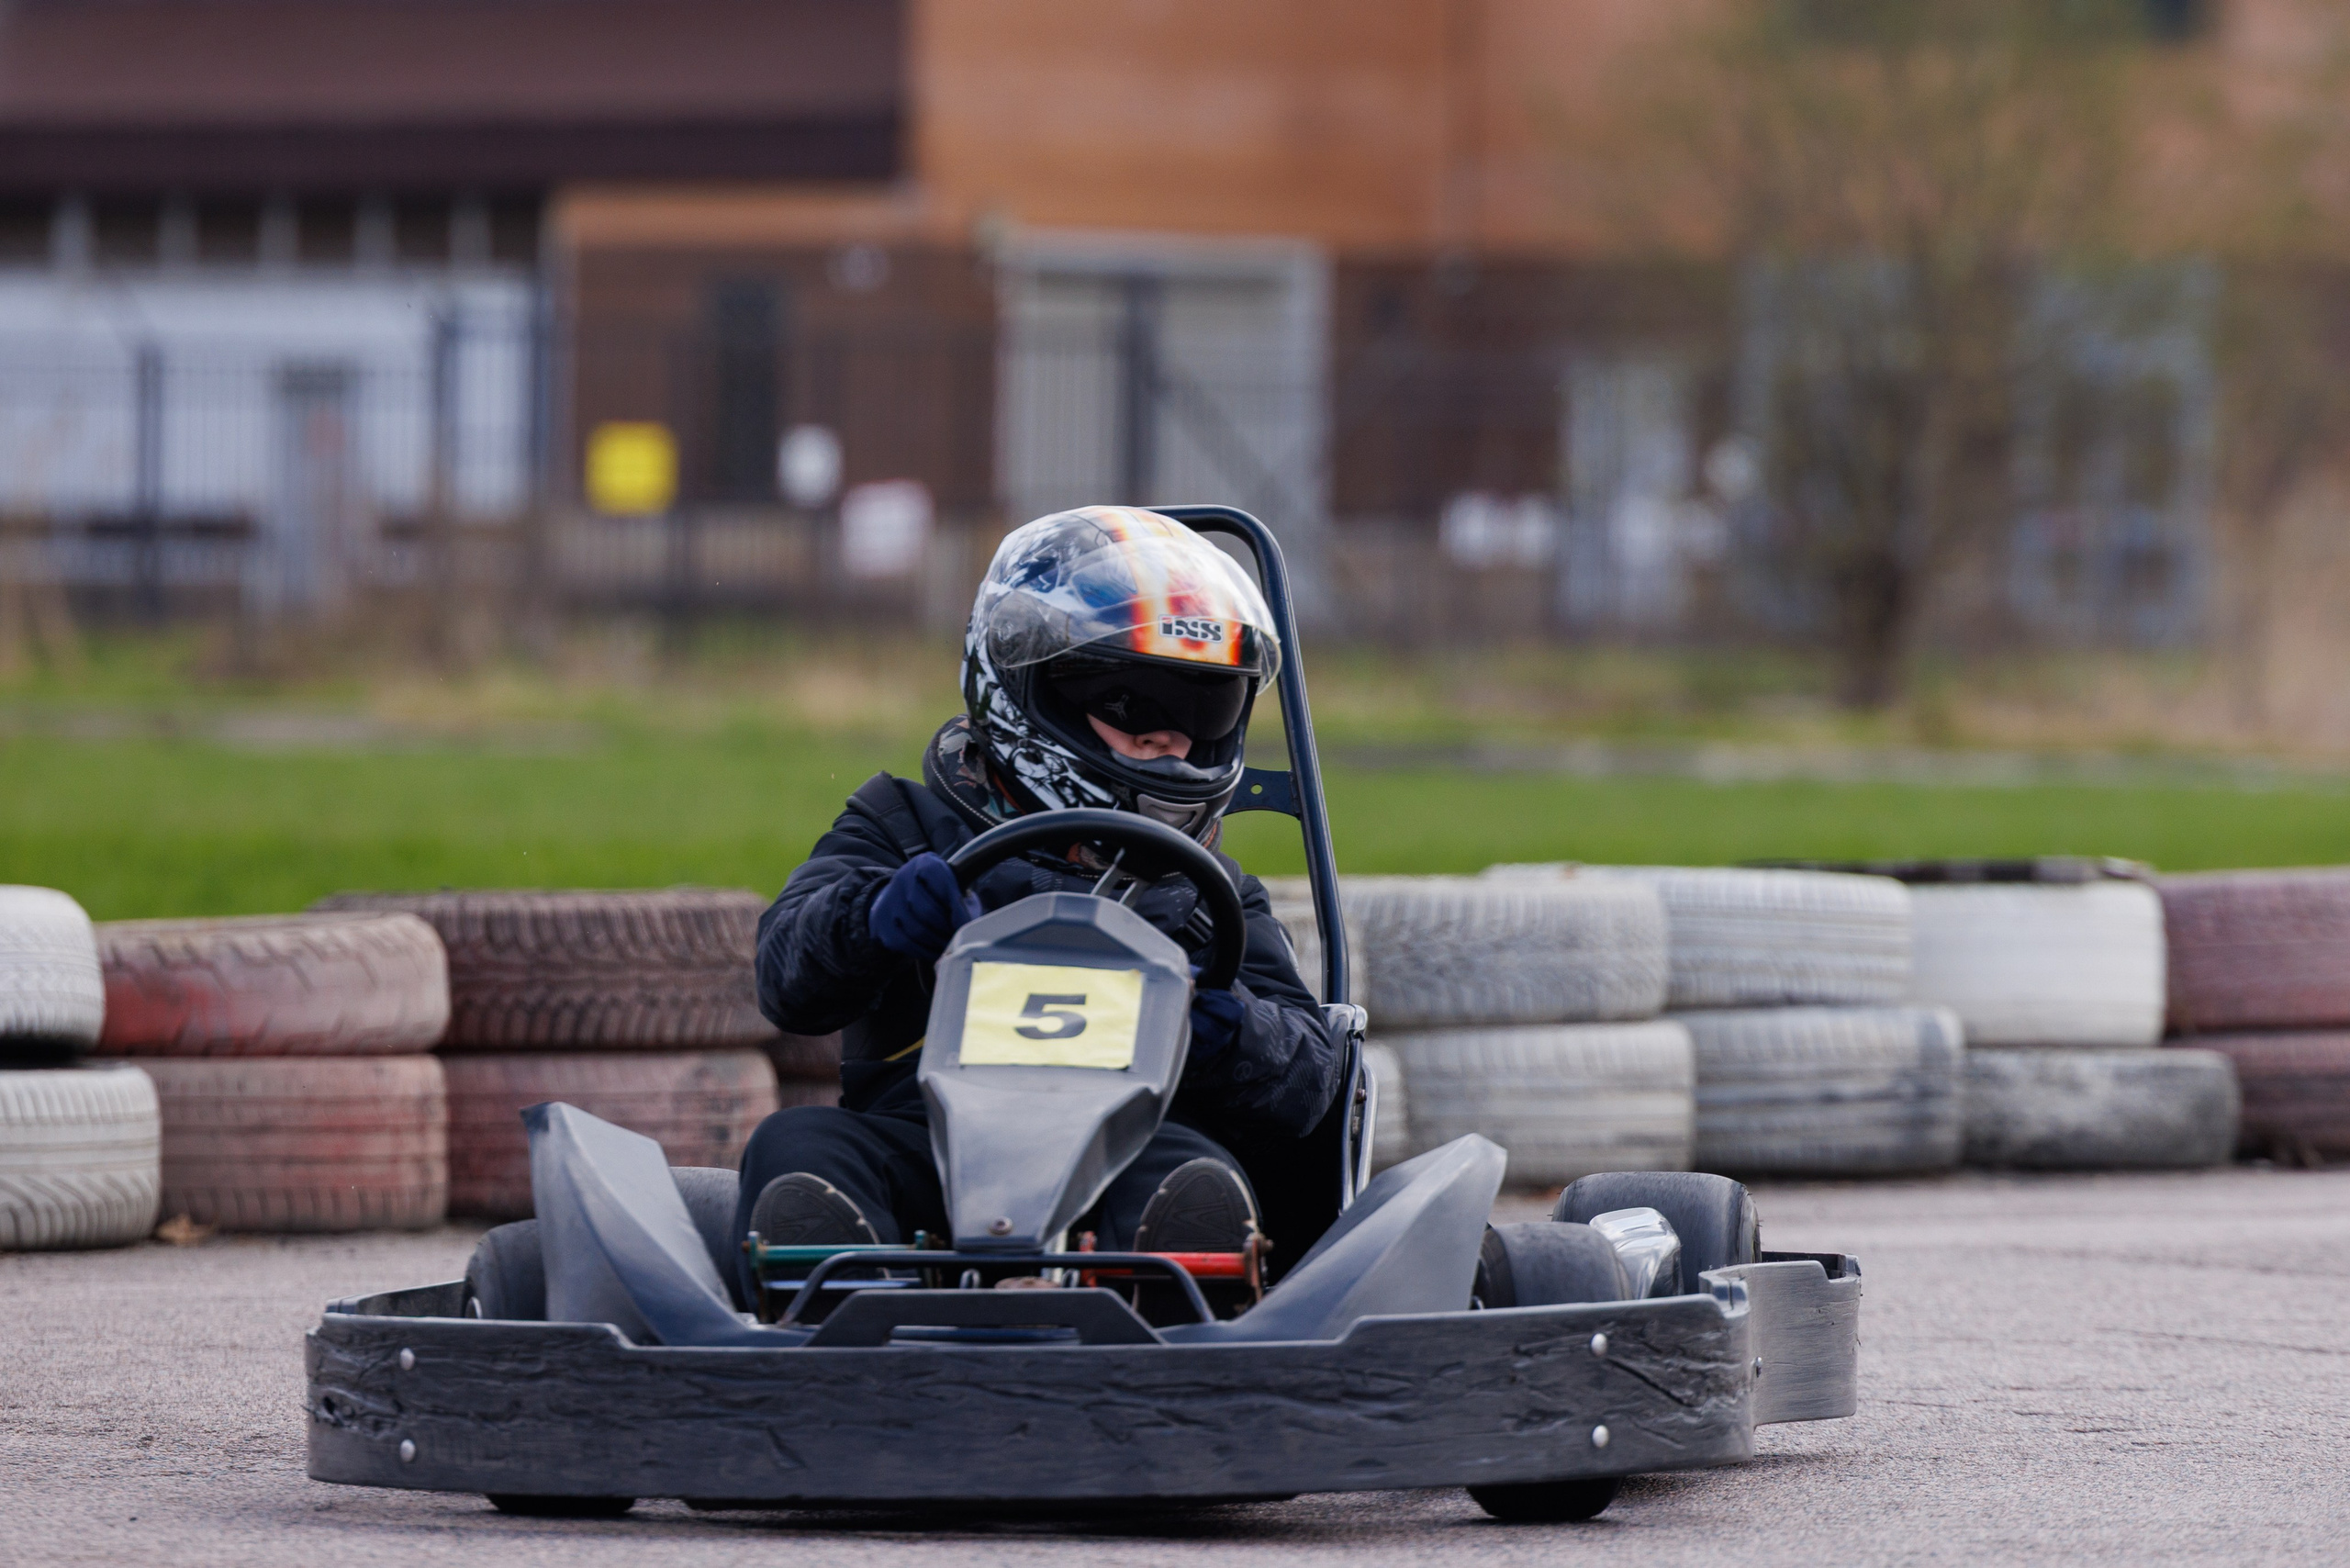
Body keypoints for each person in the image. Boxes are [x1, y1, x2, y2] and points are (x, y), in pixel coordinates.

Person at [733, 505, 1339, 1295]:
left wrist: (1230, 1032)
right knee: (800, 1146)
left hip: (1130, 1151)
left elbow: (1310, 1079)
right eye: (1137, 704)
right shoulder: (903, 830)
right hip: (923, 1146)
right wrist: (875, 920)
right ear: (1028, 689)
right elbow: (786, 975)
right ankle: (842, 1324)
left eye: (1205, 708)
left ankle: (1181, 1334)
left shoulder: (1204, 894)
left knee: (1190, 1177)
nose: (1174, 740)